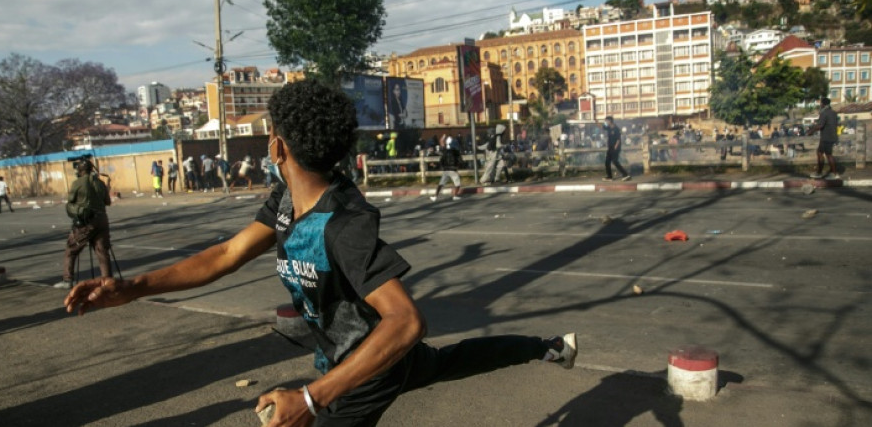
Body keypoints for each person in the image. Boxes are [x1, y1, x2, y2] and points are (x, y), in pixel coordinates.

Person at [64, 79, 577, 426]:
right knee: (447, 363)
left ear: (278, 147)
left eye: (271, 133)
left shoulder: (342, 225)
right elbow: (225, 255)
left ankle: (543, 346)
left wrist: (311, 397)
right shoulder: (287, 200)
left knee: (404, 372)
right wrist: (131, 288)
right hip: (350, 352)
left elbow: (405, 322)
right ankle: (548, 345)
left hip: (365, 367)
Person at [55, 156, 114, 289]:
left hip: (87, 221)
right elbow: (107, 202)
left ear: (80, 170)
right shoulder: (100, 182)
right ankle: (108, 280)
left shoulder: (78, 183)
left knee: (71, 249)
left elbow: (71, 201)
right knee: (102, 252)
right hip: (102, 220)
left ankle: (67, 279)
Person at [807, 97, 840, 180]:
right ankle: (819, 172)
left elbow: (820, 125)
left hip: (826, 137)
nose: (820, 105)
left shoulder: (824, 113)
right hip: (831, 136)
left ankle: (834, 174)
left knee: (829, 155)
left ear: (823, 104)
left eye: (820, 103)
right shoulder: (833, 112)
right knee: (819, 152)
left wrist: (811, 131)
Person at [430, 135, 462, 202]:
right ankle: (455, 195)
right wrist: (458, 166)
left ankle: (435, 196)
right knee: (458, 184)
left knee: (441, 184)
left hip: (446, 170)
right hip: (453, 170)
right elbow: (460, 160)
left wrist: (440, 166)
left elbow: (441, 161)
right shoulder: (456, 151)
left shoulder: (445, 152)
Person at [602, 116, 631, 182]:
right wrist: (596, 121)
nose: (605, 122)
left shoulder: (616, 129)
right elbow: (603, 127)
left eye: (606, 121)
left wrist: (615, 147)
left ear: (610, 121)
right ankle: (609, 177)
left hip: (615, 148)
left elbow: (618, 139)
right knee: (607, 162)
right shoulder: (608, 128)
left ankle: (626, 175)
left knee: (615, 161)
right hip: (610, 147)